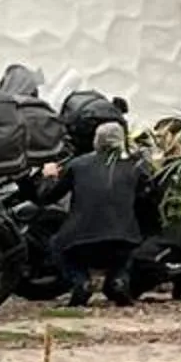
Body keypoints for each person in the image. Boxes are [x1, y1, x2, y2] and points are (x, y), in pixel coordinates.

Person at [51, 119, 145, 306]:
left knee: (56, 245)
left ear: (97, 140)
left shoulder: (78, 164)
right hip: (124, 237)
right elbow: (147, 198)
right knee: (125, 253)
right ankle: (118, 279)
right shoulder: (136, 167)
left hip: (80, 240)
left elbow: (49, 196)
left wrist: (50, 177)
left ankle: (81, 281)